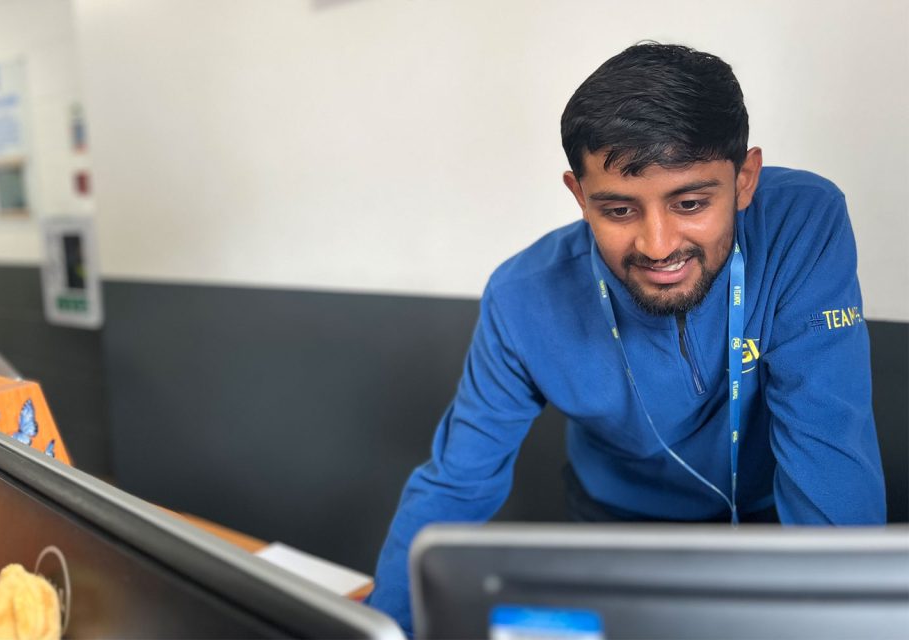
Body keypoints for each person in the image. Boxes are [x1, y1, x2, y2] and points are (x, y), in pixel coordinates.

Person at [365, 42, 887, 635]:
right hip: (615, 529)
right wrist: (386, 626)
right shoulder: (520, 297)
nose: (658, 245)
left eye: (690, 202)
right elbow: (455, 483)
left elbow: (830, 449)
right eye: (618, 210)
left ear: (744, 180)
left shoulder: (803, 222)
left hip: (775, 520)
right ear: (579, 195)